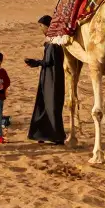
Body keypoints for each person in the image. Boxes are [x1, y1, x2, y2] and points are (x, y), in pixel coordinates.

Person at [25, 15, 66, 145]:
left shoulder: (53, 43)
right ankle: (41, 134)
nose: (41, 28)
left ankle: (57, 137)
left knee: (51, 106)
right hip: (49, 78)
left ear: (48, 27)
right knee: (43, 105)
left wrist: (35, 62)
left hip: (52, 79)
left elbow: (49, 61)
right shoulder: (53, 41)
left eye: (42, 26)